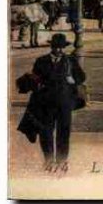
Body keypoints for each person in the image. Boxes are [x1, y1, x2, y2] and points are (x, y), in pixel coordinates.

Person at [17, 33, 86, 165]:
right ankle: (48, 160)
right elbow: (36, 80)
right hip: (46, 103)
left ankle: (61, 161)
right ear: (52, 47)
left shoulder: (70, 61)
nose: (59, 50)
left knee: (63, 133)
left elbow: (82, 77)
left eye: (62, 47)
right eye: (57, 47)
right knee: (46, 132)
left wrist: (73, 80)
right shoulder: (41, 61)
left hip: (65, 103)